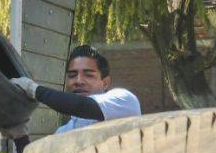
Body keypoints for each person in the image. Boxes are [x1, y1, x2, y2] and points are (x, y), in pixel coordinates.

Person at [10, 46, 141, 134]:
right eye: (72, 75)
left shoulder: (124, 101)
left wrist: (33, 89)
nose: (78, 81)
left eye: (88, 75)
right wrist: (19, 135)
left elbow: (83, 106)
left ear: (105, 83)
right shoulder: (64, 133)